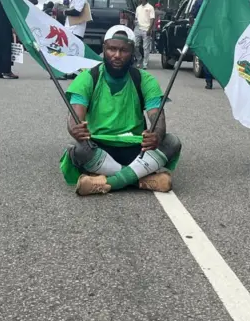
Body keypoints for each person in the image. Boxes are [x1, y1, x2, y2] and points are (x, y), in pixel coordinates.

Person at [64, 25, 182, 196]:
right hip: (99, 147)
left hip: (137, 149)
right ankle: (140, 178)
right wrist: (75, 129)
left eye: (124, 50)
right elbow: (75, 116)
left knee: (172, 142)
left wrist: (156, 135)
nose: (117, 55)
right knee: (80, 150)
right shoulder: (87, 78)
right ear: (104, 49)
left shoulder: (145, 80)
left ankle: (109, 181)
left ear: (132, 51)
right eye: (112, 49)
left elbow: (158, 117)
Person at [189, 0, 213, 89]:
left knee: (204, 55)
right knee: (212, 55)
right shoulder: (216, 2)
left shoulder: (199, 2)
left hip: (202, 32)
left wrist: (194, 29)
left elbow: (191, 16)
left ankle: (209, 80)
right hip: (214, 32)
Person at [134, 0, 155, 69]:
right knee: (134, 45)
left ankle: (145, 64)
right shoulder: (138, 8)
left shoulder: (150, 7)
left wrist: (150, 29)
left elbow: (152, 19)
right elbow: (136, 18)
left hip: (146, 30)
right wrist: (135, 22)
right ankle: (139, 59)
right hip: (138, 29)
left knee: (145, 48)